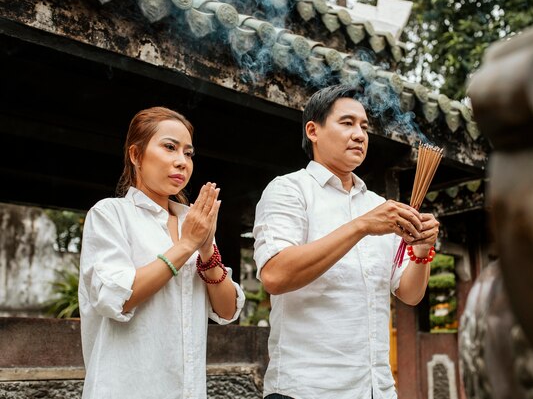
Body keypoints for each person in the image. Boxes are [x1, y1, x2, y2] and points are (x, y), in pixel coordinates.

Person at [253, 84, 439, 399]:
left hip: (375, 388)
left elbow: (408, 293)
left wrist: (421, 252)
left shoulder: (378, 204)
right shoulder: (289, 190)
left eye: (364, 126)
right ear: (313, 130)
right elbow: (275, 275)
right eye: (347, 123)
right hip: (308, 389)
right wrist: (362, 226)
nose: (359, 134)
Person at [78, 107, 245, 399]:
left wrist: (206, 249)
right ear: (136, 155)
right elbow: (117, 297)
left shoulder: (191, 222)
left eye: (188, 153)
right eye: (169, 147)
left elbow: (227, 311)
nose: (182, 162)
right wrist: (185, 245)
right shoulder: (110, 214)